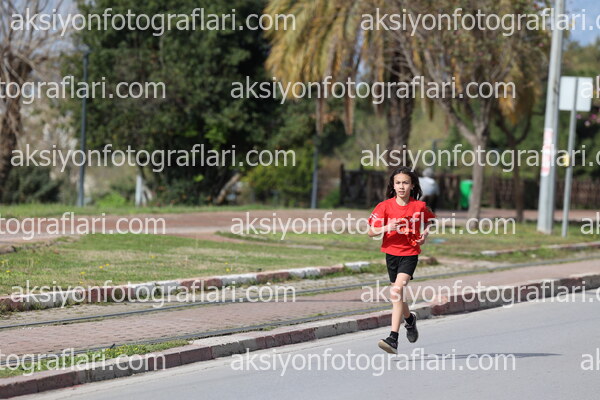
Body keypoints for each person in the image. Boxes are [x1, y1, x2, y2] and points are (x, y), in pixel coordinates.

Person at [368, 166, 435, 354]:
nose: (401, 186)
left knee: (396, 290)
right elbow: (371, 232)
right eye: (398, 183)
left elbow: (429, 221)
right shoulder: (384, 206)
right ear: (393, 185)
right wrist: (387, 227)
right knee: (398, 295)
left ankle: (393, 338)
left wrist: (424, 234)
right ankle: (410, 320)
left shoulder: (418, 206)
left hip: (410, 253)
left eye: (405, 182)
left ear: (412, 185)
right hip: (391, 254)